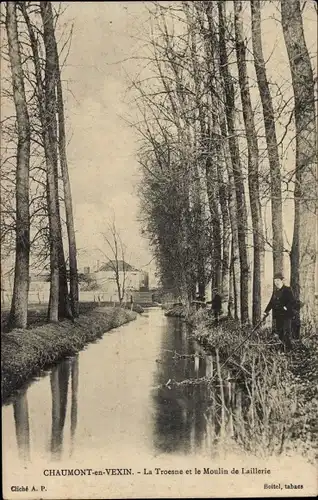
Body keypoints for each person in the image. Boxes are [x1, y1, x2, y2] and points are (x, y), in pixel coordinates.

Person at [263, 272, 296, 352]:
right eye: (275, 281)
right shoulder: (275, 292)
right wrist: (266, 311)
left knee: (286, 333)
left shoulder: (287, 289)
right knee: (280, 333)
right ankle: (282, 349)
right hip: (278, 316)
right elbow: (271, 302)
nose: (276, 282)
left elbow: (293, 301)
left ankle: (289, 350)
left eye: (278, 280)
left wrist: (286, 307)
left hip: (286, 315)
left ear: (282, 281)